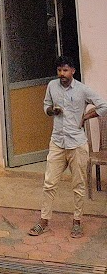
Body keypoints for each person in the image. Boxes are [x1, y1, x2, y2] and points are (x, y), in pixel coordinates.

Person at [30, 57, 107, 238]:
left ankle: (77, 222)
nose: (62, 74)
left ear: (73, 70)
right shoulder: (52, 86)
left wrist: (87, 116)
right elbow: (46, 106)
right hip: (57, 142)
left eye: (65, 70)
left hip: (77, 144)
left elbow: (103, 105)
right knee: (49, 183)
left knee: (78, 185)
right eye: (59, 70)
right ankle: (44, 220)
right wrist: (52, 111)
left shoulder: (82, 89)